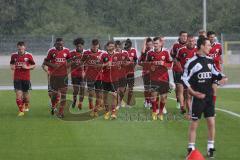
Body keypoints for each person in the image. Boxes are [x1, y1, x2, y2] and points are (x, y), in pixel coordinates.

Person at [182, 37, 227, 158]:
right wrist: (193, 93)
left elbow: (216, 73)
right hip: (198, 99)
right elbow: (185, 79)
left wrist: (223, 77)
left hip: (209, 98)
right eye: (208, 45)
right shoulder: (192, 62)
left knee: (211, 123)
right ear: (201, 46)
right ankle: (191, 149)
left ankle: (210, 148)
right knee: (194, 124)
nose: (210, 47)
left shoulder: (210, 60)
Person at [43, 38, 71, 118]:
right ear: (55, 44)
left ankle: (61, 112)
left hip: (63, 76)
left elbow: (70, 61)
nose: (60, 46)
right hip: (54, 76)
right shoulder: (51, 51)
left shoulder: (67, 51)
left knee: (64, 94)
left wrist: (67, 67)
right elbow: (45, 62)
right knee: (54, 95)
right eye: (58, 44)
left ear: (63, 44)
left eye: (61, 44)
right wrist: (53, 65)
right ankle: (53, 105)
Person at [147, 37, 173, 120]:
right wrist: (152, 65)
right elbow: (146, 64)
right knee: (153, 95)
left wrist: (163, 63)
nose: (155, 45)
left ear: (160, 43)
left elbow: (170, 65)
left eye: (157, 43)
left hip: (164, 78)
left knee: (163, 97)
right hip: (154, 78)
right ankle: (154, 112)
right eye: (154, 44)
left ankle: (161, 112)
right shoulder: (150, 53)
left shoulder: (165, 52)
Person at [10, 41, 36, 116]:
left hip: (26, 78)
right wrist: (12, 67)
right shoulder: (14, 55)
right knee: (18, 94)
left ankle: (26, 104)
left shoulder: (29, 55)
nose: (20, 51)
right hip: (17, 78)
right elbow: (11, 64)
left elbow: (33, 66)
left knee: (26, 96)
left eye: (22, 49)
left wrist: (27, 67)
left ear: (24, 48)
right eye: (19, 49)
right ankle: (21, 111)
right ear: (17, 48)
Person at [82, 39, 105, 117]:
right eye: (93, 45)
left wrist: (102, 66)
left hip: (99, 77)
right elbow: (82, 62)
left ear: (98, 45)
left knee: (99, 95)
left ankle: (94, 110)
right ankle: (91, 105)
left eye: (96, 46)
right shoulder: (86, 53)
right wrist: (83, 71)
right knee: (91, 93)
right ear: (91, 45)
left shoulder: (102, 53)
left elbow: (107, 62)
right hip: (90, 76)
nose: (95, 47)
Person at [176, 35, 197, 115]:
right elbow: (177, 60)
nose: (191, 42)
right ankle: (184, 108)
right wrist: (180, 69)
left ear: (195, 41)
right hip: (183, 75)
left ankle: (189, 112)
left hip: (193, 76)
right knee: (183, 92)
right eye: (189, 41)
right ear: (187, 41)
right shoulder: (181, 50)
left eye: (193, 41)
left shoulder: (197, 50)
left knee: (189, 95)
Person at [171, 31, 188, 109]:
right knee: (178, 87)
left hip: (187, 71)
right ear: (180, 36)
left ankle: (183, 103)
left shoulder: (189, 45)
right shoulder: (176, 45)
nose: (185, 37)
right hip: (177, 69)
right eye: (183, 36)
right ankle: (178, 99)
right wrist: (178, 66)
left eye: (186, 36)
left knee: (185, 88)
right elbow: (173, 57)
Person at [207, 31, 223, 106]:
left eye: (213, 37)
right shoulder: (204, 46)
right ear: (207, 37)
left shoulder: (218, 46)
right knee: (205, 90)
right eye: (211, 37)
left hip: (215, 71)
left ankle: (212, 107)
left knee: (214, 89)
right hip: (206, 71)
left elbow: (219, 56)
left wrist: (220, 68)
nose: (212, 38)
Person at [69, 38, 86, 110]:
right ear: (75, 46)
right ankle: (74, 100)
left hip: (83, 74)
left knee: (82, 88)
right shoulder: (71, 53)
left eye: (80, 46)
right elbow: (68, 63)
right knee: (76, 90)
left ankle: (80, 103)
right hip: (74, 74)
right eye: (77, 46)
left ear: (83, 46)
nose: (79, 48)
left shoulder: (86, 53)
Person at [139, 37, 153, 108]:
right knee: (147, 88)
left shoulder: (154, 51)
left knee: (153, 88)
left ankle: (151, 101)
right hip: (145, 72)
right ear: (146, 45)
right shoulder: (145, 53)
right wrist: (144, 41)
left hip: (154, 73)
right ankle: (147, 101)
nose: (150, 46)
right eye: (148, 44)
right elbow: (139, 61)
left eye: (151, 44)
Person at [124, 39, 138, 107]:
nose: (128, 48)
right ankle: (120, 102)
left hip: (131, 73)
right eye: (127, 46)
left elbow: (135, 60)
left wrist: (133, 66)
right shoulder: (123, 51)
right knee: (122, 88)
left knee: (130, 89)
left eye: (129, 46)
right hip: (123, 73)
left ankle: (128, 103)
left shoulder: (134, 51)